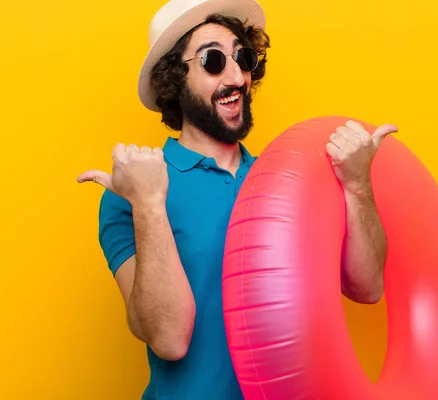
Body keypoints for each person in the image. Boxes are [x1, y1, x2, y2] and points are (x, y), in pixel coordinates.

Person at [77, 0, 397, 398]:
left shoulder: (289, 181)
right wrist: (149, 204)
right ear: (176, 78)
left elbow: (367, 288)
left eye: (243, 57)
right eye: (213, 61)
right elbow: (169, 340)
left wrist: (357, 185)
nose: (237, 77)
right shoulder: (133, 193)